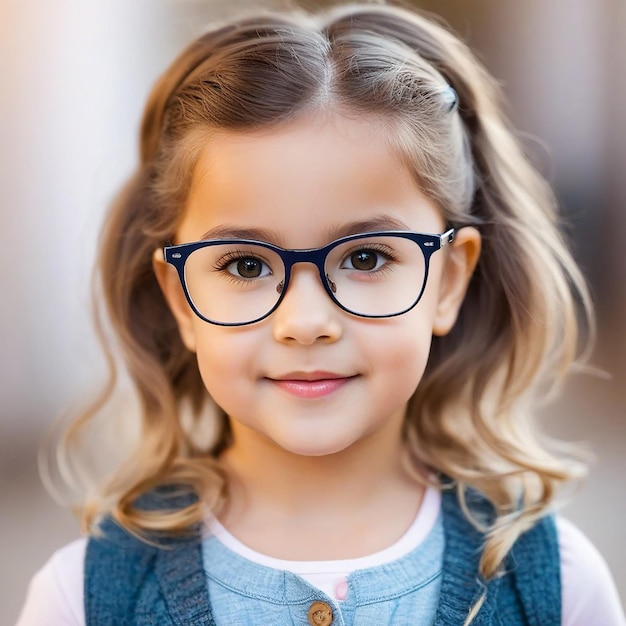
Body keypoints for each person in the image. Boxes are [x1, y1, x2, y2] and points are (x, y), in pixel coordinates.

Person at [16, 2, 625, 625]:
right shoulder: (82, 599)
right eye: (246, 266)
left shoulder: (558, 588)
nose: (305, 322)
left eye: (365, 257)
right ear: (180, 298)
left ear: (448, 280)